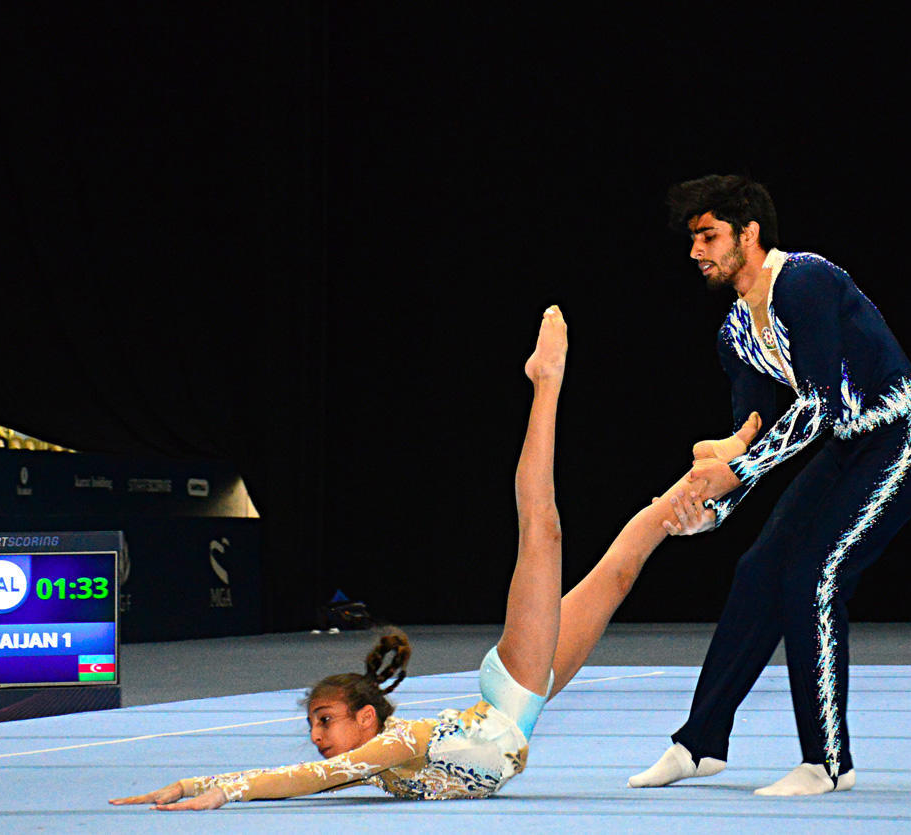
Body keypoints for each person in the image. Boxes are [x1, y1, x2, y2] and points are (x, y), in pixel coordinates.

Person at [110, 305, 760, 810]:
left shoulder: (392, 745)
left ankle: (546, 382)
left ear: (367, 717)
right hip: (517, 703)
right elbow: (310, 773)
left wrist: (221, 790)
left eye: (325, 720)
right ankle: (731, 459)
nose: (317, 736)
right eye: (315, 724)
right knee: (621, 568)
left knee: (542, 530)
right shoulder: (380, 762)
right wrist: (196, 782)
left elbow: (308, 777)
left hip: (511, 693)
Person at [628, 175, 911, 797]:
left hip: (903, 436)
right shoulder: (734, 333)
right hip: (848, 447)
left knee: (813, 577)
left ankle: (827, 763)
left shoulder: (806, 281)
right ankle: (699, 744)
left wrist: (736, 473)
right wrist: (714, 507)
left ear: (749, 233)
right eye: (693, 239)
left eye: (708, 236)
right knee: (758, 572)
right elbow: (751, 435)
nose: (695, 251)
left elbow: (820, 405)